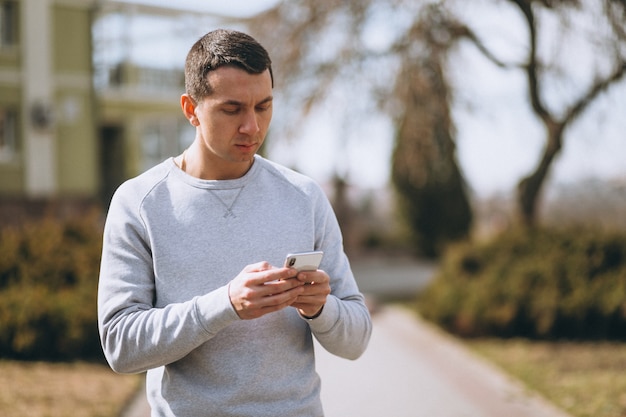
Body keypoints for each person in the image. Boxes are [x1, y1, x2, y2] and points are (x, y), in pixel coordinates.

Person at [97, 29, 372, 417]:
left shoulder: (303, 196)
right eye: (232, 109)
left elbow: (357, 339)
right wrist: (225, 304)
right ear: (191, 109)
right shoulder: (140, 203)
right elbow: (121, 347)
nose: (252, 127)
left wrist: (320, 308)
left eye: (263, 106)